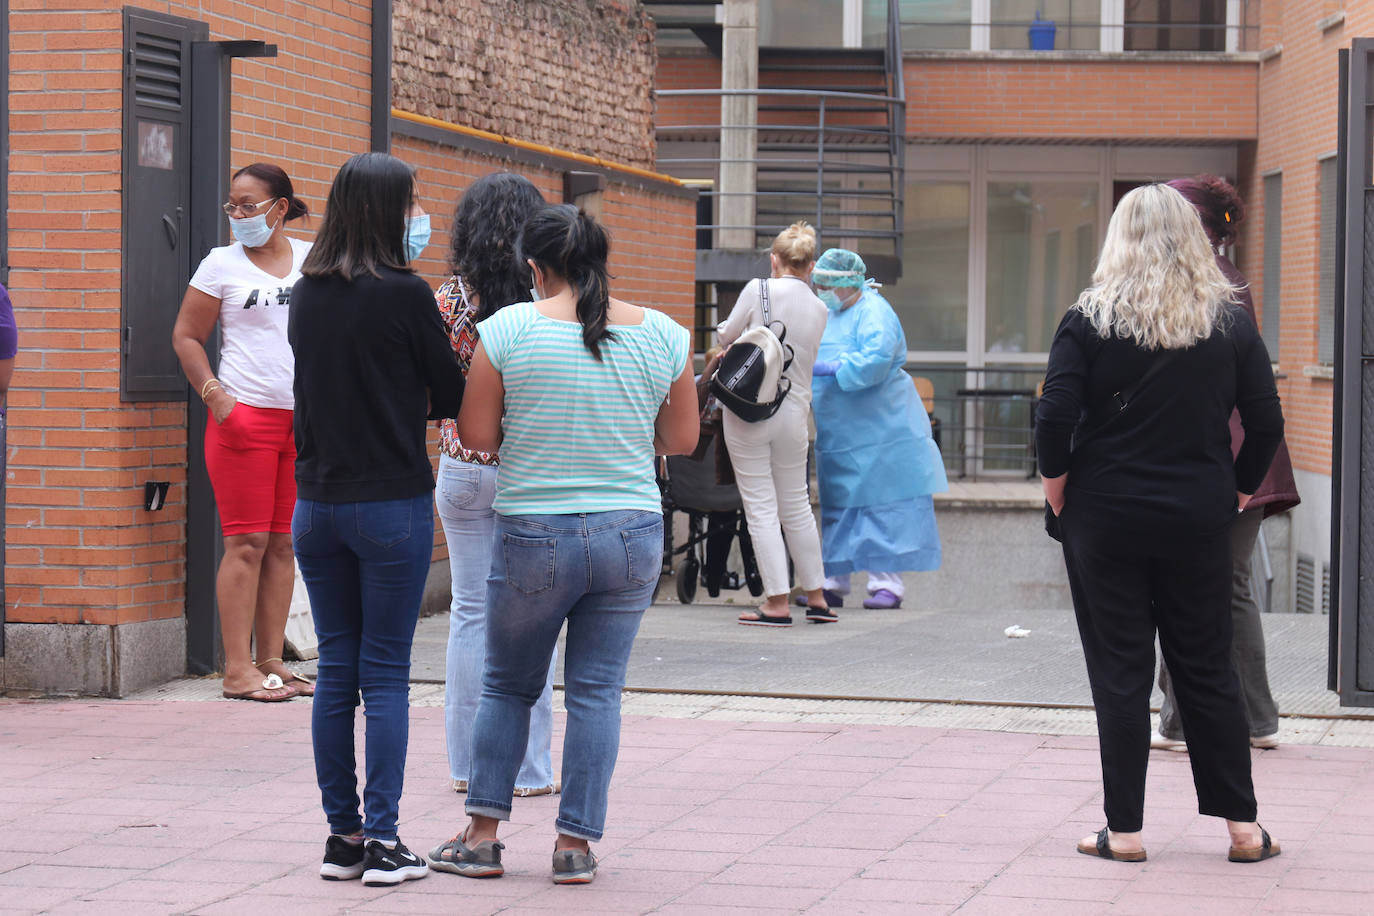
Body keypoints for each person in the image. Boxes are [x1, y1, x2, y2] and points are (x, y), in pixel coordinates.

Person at [427, 204, 697, 886]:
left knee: (509, 686)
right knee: (597, 695)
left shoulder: (508, 328)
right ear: (601, 260)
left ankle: (483, 837)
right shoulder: (665, 334)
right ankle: (574, 845)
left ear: (534, 266)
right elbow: (684, 441)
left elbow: (478, 437)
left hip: (534, 533)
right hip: (631, 532)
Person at [1036, 183, 1284, 864]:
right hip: (1198, 514)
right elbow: (1265, 422)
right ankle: (1241, 829)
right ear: (1195, 238)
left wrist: (1058, 493)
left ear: (1121, 238)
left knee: (1119, 670)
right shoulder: (1228, 321)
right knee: (1207, 667)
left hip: (1104, 514)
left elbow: (1054, 415)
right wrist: (1233, 492)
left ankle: (1126, 831)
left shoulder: (1086, 318)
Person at [289, 152, 465, 887]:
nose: (418, 214)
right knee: (386, 675)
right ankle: (387, 841)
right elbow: (450, 389)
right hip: (389, 499)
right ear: (390, 210)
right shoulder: (403, 293)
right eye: (412, 202)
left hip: (316, 502)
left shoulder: (307, 290)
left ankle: (343, 838)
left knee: (337, 671)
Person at [1152, 175, 1301, 753]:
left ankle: (1183, 723)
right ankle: (1256, 720)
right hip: (1242, 458)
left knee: (1194, 585)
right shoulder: (1226, 277)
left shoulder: (1203, 282)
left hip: (1218, 459)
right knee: (1224, 585)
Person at [433, 172, 558, 798]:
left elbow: (437, 387)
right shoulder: (548, 304)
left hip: (462, 464)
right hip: (532, 469)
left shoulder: (450, 298)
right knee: (534, 616)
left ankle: (466, 765)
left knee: (469, 612)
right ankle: (532, 768)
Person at [171, 162, 313, 702]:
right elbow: (187, 336)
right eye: (233, 204)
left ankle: (271, 663)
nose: (238, 214)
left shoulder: (310, 259)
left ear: (280, 208)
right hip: (243, 418)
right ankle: (236, 670)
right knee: (247, 543)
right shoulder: (220, 264)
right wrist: (216, 395)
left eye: (249, 205)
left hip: (301, 422)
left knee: (282, 545)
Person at [807, 248, 946, 610]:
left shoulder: (874, 311)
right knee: (839, 503)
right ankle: (832, 581)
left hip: (881, 426)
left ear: (847, 283)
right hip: (839, 429)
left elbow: (877, 358)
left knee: (881, 503)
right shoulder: (830, 312)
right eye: (817, 284)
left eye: (825, 285)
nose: (821, 291)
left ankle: (886, 585)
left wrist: (833, 368)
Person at [715, 222, 832, 627]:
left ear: (774, 260)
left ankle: (777, 602)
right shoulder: (821, 309)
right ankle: (817, 597)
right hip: (795, 415)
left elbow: (728, 334)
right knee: (797, 504)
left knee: (761, 506)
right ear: (811, 266)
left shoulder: (758, 289)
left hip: (750, 410)